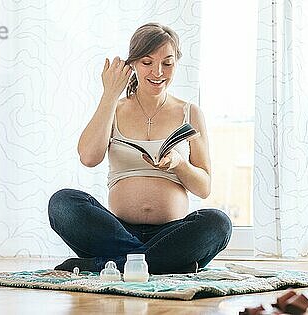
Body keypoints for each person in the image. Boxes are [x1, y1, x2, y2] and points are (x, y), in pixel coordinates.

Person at [48, 22, 232, 274]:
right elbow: (89, 157)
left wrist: (179, 164)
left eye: (167, 63)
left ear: (176, 63)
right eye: (147, 62)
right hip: (116, 231)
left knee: (218, 223)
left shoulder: (190, 112)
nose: (158, 72)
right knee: (62, 203)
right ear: (132, 64)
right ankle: (164, 264)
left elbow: (203, 187)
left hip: (172, 233)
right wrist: (110, 95)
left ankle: (104, 265)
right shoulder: (115, 108)